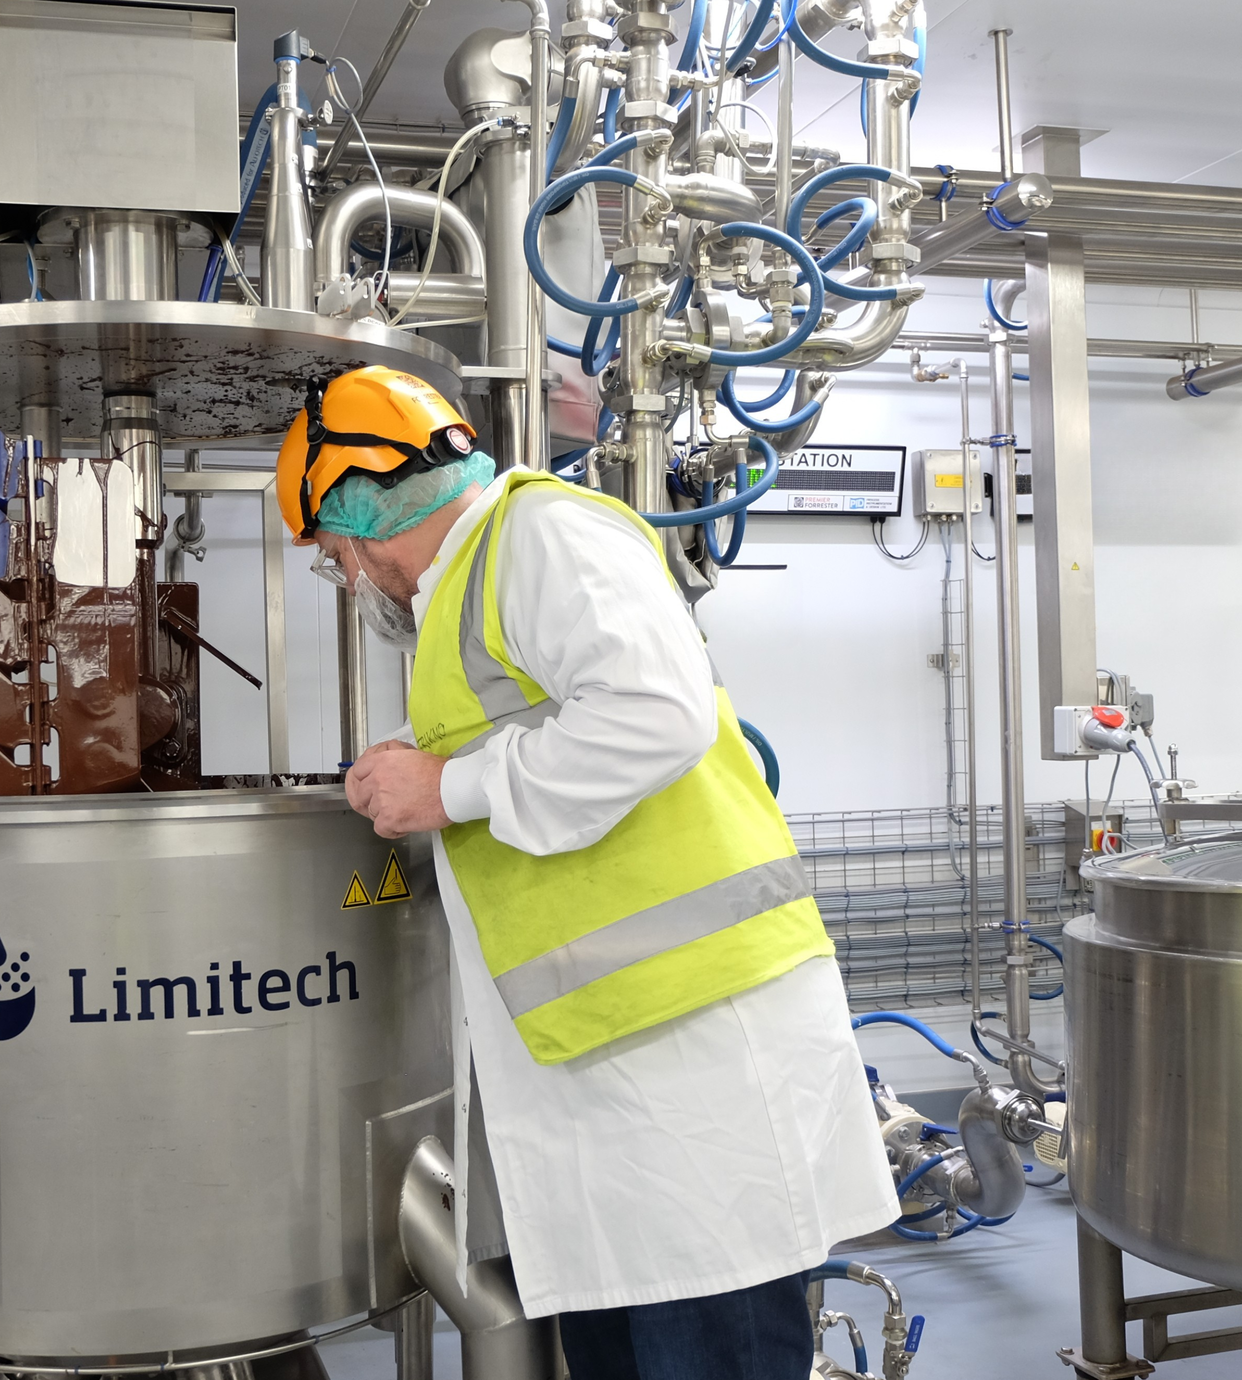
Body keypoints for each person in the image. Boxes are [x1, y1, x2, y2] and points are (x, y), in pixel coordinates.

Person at [273, 366, 898, 1379]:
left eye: (338, 554)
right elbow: (530, 730)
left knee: (710, 1354)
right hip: (614, 1067)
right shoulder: (474, 589)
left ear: (364, 514)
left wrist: (451, 789)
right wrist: (421, 767)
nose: (351, 581)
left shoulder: (538, 536)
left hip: (695, 1060)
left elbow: (654, 713)